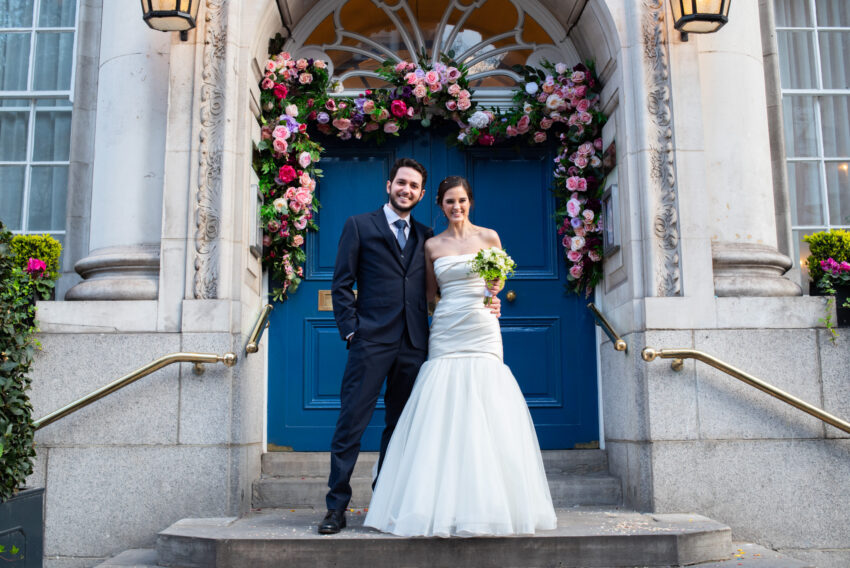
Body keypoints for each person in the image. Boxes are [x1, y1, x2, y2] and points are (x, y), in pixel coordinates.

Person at [364, 175, 557, 537]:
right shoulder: (432, 245)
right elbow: (430, 297)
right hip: (448, 328)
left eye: (462, 201)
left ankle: (489, 505)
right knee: (442, 406)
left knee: (487, 406)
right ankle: (435, 504)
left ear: (470, 202)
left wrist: (495, 296)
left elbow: (495, 284)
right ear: (439, 204)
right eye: (449, 202)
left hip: (482, 327)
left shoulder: (489, 237)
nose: (456, 208)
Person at [318, 160, 500, 534]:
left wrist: (488, 298)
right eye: (402, 183)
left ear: (420, 195)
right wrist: (352, 331)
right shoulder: (359, 225)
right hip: (370, 341)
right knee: (351, 423)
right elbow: (341, 284)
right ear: (389, 185)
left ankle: (385, 500)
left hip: (414, 344)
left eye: (414, 186)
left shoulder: (428, 236)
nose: (407, 190)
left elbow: (439, 290)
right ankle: (336, 507)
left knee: (399, 427)